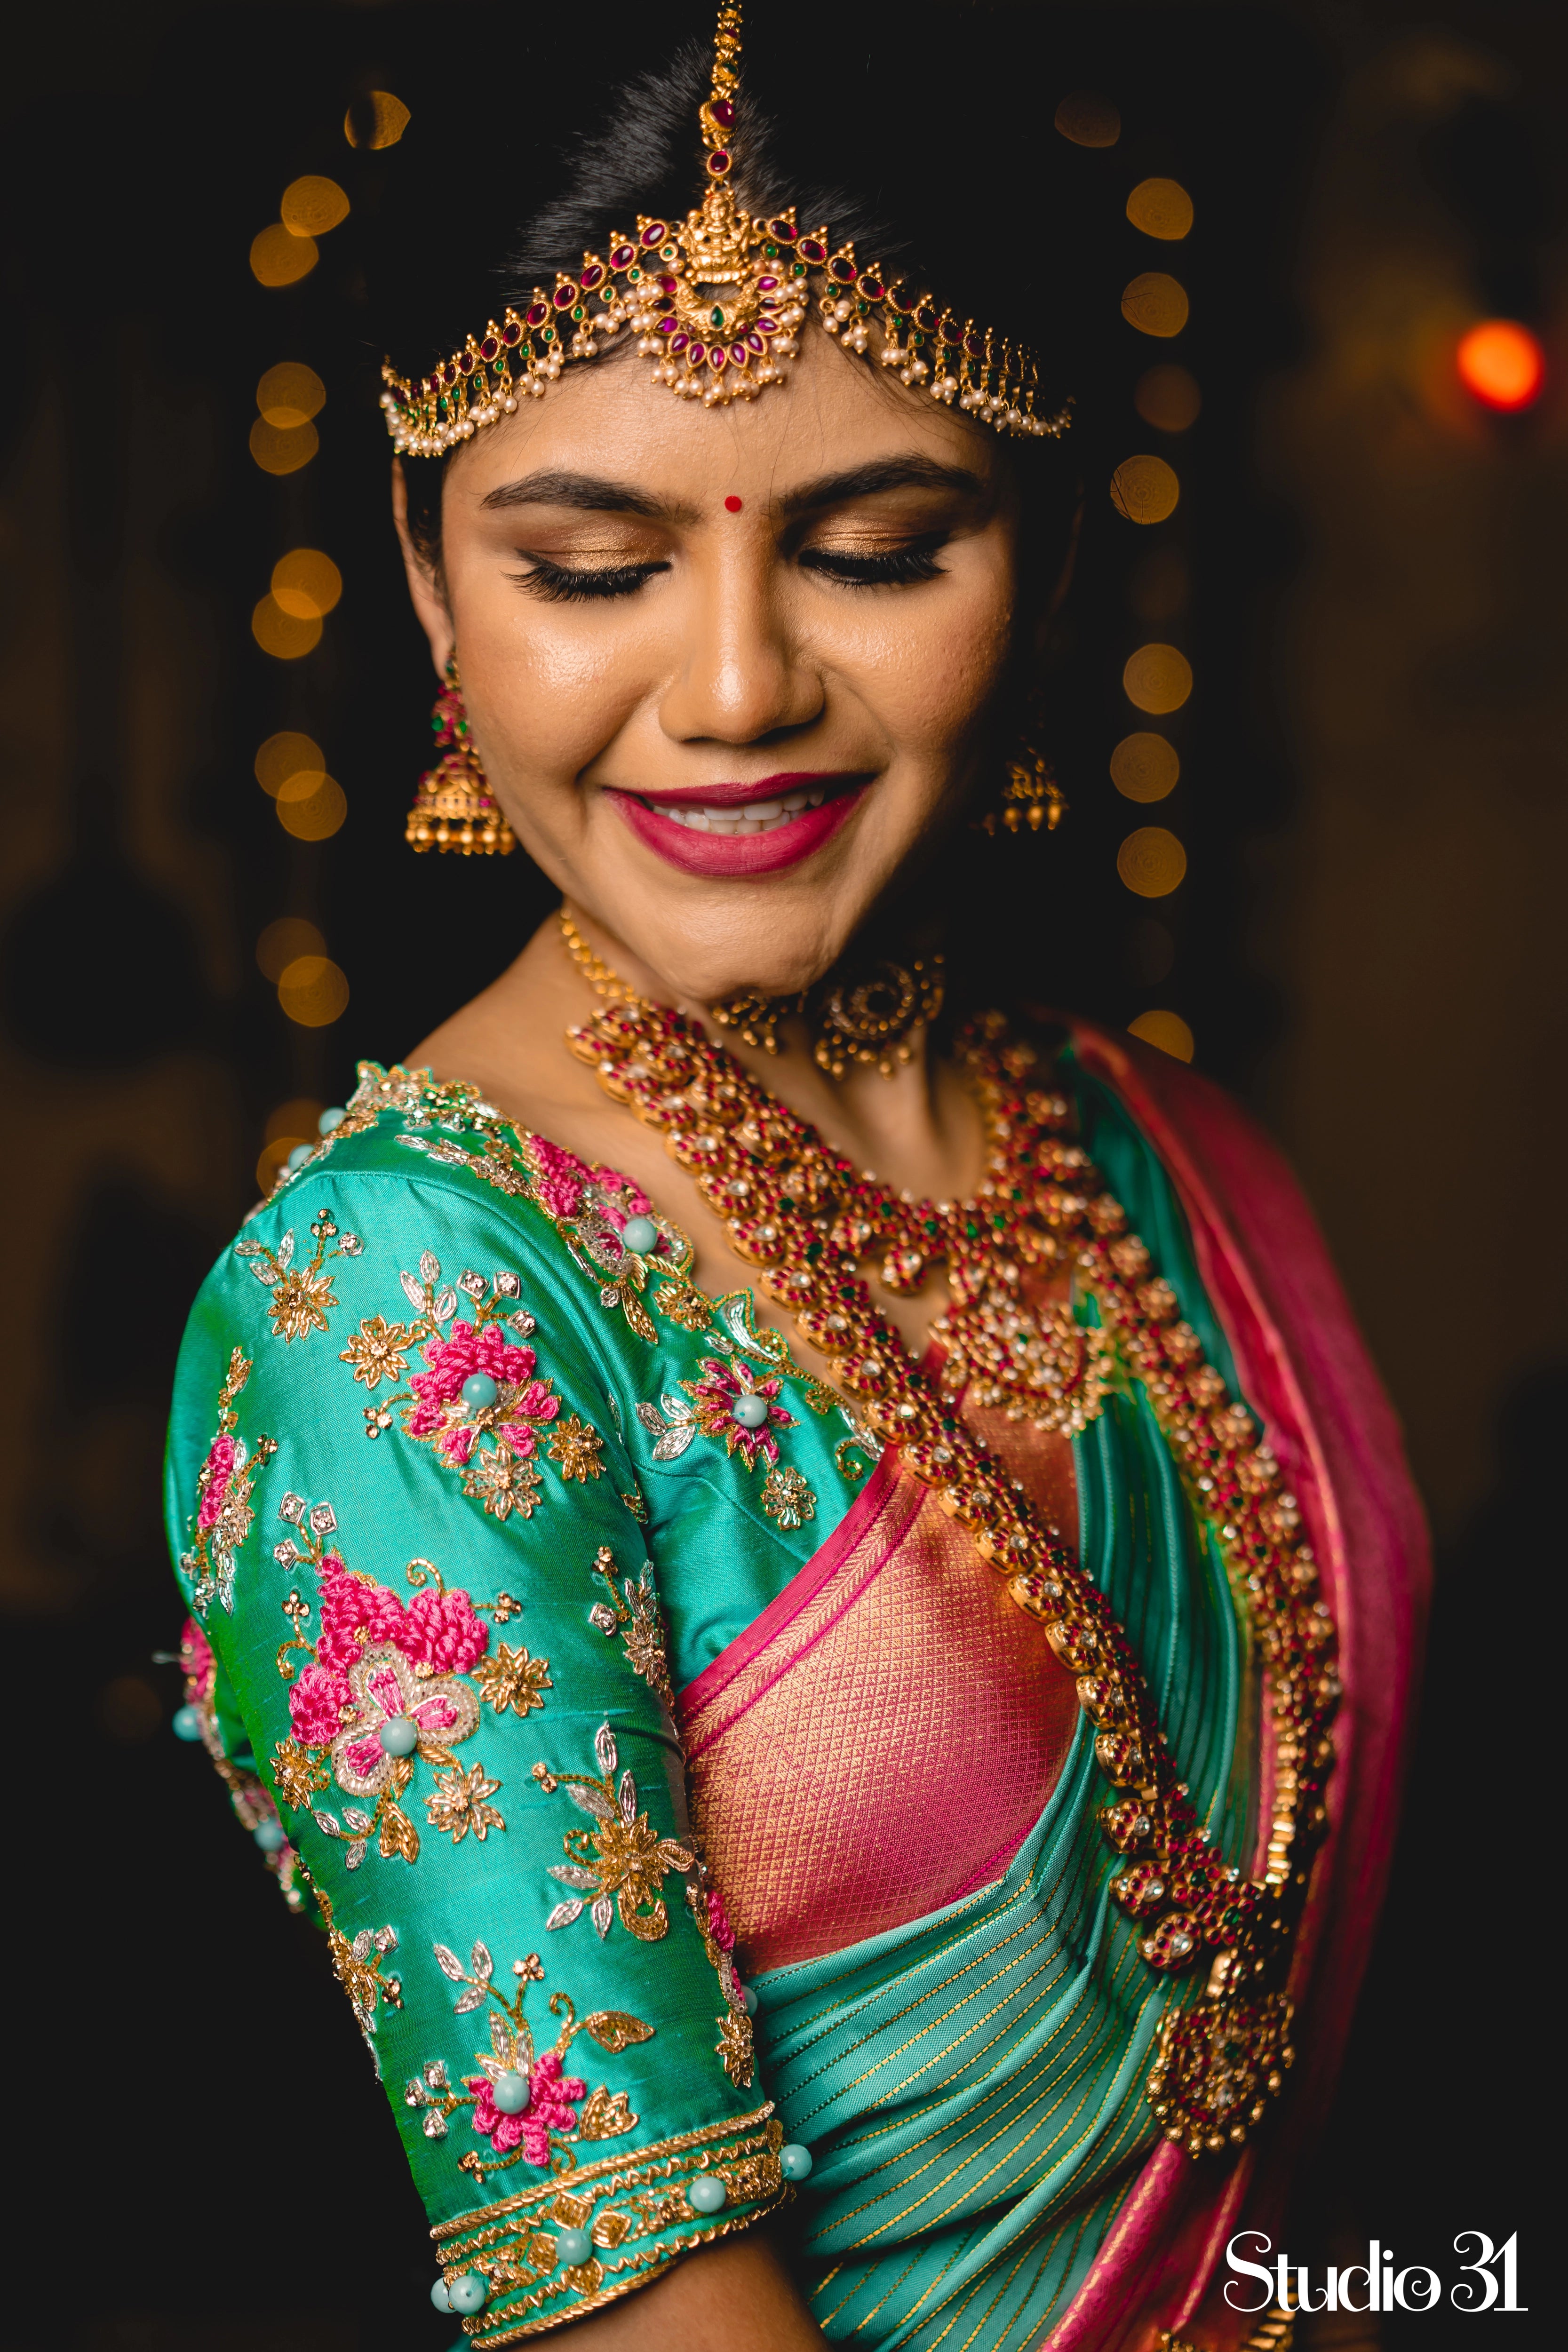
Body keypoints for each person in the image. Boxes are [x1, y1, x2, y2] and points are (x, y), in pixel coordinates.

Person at [165, 8, 1427, 2344]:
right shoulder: (410, 1305)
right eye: (586, 566)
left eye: (872, 546)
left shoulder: (1179, 1157)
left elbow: (1360, 2216)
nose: (736, 686)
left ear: (1039, 553)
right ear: (432, 592)